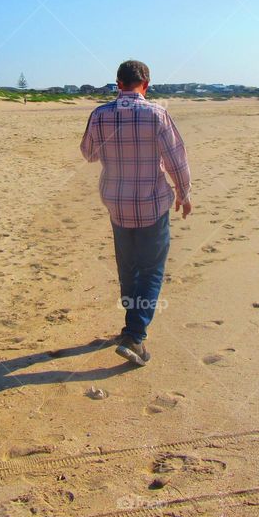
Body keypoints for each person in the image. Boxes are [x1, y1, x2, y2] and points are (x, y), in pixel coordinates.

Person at [80, 60, 191, 366]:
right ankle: (135, 335)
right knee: (151, 270)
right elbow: (175, 159)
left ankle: (131, 326)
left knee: (128, 268)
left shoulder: (100, 114)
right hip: (151, 204)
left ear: (118, 84)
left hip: (117, 204)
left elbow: (88, 154)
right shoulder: (157, 113)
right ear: (146, 84)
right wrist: (184, 193)